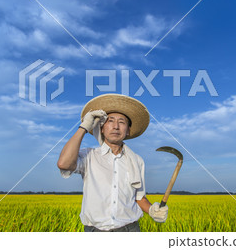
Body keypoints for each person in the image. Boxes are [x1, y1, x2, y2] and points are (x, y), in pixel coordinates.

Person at [57, 93, 169, 232]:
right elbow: (64, 164)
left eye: (122, 122)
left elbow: (139, 198)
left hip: (130, 230)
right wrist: (84, 127)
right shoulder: (89, 156)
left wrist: (152, 210)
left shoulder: (137, 161)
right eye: (110, 121)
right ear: (101, 128)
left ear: (128, 130)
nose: (116, 126)